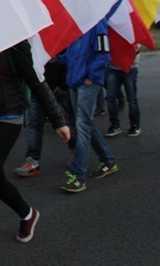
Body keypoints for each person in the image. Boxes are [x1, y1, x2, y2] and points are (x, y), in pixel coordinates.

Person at [0, 40, 70, 266]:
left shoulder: (13, 40)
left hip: (7, 116)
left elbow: (34, 79)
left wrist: (58, 119)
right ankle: (27, 213)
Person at [59, 19, 118, 193]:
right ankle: (107, 160)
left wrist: (91, 77)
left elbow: (104, 54)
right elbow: (72, 53)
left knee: (82, 124)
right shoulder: (77, 23)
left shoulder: (97, 23)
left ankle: (78, 174)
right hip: (76, 81)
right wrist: (58, 58)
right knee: (86, 123)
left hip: (87, 83)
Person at [14, 57, 75, 177]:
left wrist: (63, 85)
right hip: (38, 85)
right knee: (34, 124)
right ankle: (32, 161)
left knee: (65, 123)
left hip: (57, 88)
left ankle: (75, 150)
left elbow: (68, 56)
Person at [104, 45, 142, 137]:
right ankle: (115, 125)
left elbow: (137, 49)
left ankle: (135, 125)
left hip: (130, 68)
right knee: (110, 97)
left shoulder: (134, 33)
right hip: (113, 67)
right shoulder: (111, 31)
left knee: (131, 99)